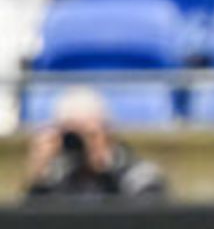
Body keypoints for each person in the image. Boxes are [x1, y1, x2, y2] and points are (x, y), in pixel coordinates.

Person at [21, 86, 167, 203]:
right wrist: (39, 177)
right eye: (71, 133)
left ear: (106, 131)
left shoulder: (140, 173)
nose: (79, 141)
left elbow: (148, 223)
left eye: (87, 133)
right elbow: (33, 228)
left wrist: (103, 167)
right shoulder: (60, 175)